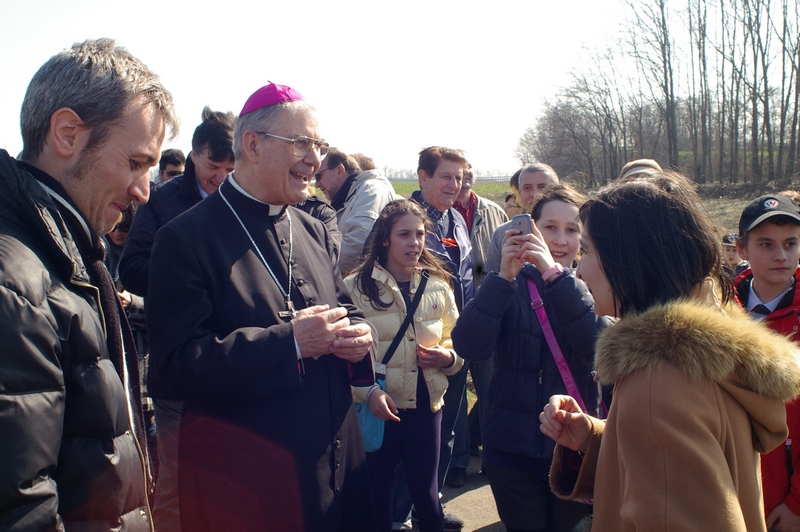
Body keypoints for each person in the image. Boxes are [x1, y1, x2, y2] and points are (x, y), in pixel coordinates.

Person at [146, 82, 377, 532]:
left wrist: (358, 336)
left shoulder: (310, 229)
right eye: (302, 143)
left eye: (319, 145)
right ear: (252, 144)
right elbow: (174, 365)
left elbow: (347, 310)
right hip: (251, 483)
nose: (316, 159)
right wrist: (287, 344)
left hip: (336, 462)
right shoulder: (185, 238)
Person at [540, 172, 800, 532]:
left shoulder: (656, 388)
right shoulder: (705, 355)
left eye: (589, 251)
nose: (580, 269)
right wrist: (598, 439)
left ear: (630, 262)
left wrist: (638, 419)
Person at [0, 37, 177, 530]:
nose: (144, 190)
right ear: (67, 133)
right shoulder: (14, 281)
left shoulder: (67, 255)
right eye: (136, 163)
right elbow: (22, 506)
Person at [453, 184, 612, 532]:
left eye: (572, 230)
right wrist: (503, 277)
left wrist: (557, 279)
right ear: (530, 230)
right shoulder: (506, 285)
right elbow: (469, 345)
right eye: (550, 228)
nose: (560, 240)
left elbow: (598, 348)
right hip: (510, 449)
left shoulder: (596, 286)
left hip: (574, 447)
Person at [118, 104, 236, 532]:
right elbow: (130, 268)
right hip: (180, 362)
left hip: (232, 359)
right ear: (193, 154)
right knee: (174, 480)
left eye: (229, 167)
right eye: (212, 165)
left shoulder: (242, 202)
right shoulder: (163, 201)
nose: (219, 177)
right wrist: (188, 275)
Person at [345, 199, 463, 532]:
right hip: (378, 408)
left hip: (427, 406)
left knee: (426, 494)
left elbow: (457, 339)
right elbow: (344, 356)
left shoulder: (438, 285)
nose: (414, 243)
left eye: (420, 234)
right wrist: (366, 392)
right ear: (385, 239)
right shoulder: (356, 287)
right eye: (404, 235)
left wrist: (448, 358)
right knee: (377, 493)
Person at [733, 195, 800, 531]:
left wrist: (798, 504)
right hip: (731, 489)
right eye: (766, 244)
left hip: (786, 499)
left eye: (790, 244)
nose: (781, 256)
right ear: (742, 250)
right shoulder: (718, 311)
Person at [449, 162, 508, 486]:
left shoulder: (494, 212)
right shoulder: (440, 213)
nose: (464, 176)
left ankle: (493, 458)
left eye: (467, 170)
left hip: (489, 316)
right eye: (457, 172)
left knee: (490, 392)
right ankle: (457, 463)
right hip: (451, 320)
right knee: (456, 396)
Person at [316, 148, 400, 275]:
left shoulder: (372, 190)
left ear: (339, 171)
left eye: (318, 175)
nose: (316, 184)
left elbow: (357, 245)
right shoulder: (350, 196)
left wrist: (318, 271)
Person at [487, 163, 559, 273]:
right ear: (520, 194)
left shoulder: (573, 228)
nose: (535, 194)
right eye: (527, 188)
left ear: (557, 190)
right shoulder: (502, 234)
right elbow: (489, 280)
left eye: (542, 187)